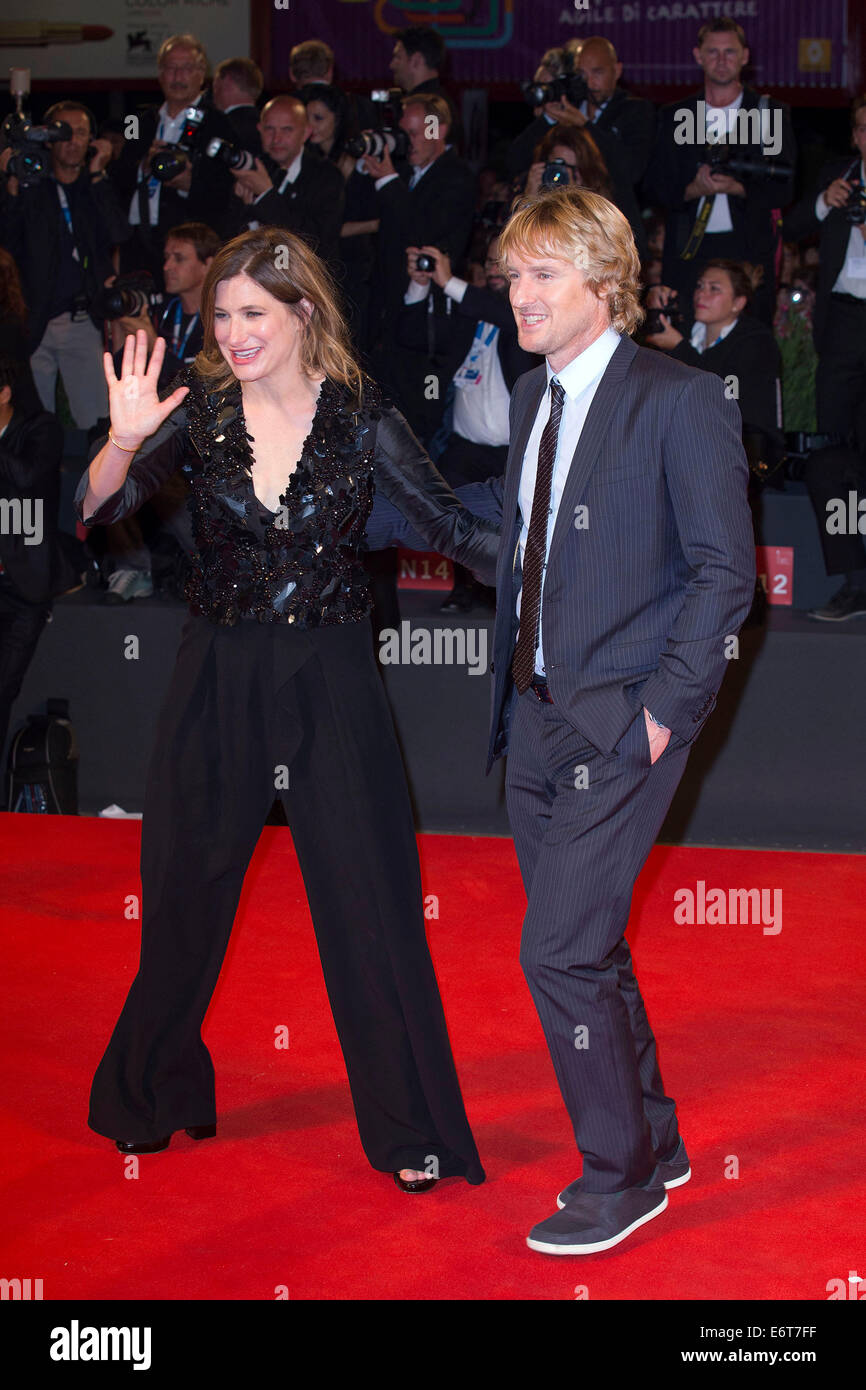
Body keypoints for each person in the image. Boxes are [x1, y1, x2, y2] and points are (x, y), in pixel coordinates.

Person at [74, 226, 498, 1192]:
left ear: (303, 312)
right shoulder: (195, 413)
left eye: (252, 313)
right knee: (181, 892)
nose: (232, 332)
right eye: (220, 314)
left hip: (332, 679)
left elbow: (455, 531)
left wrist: (576, 556)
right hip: (213, 673)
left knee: (371, 908)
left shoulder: (362, 420)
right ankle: (155, 1090)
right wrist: (125, 440)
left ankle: (409, 1129)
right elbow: (97, 508)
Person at [462, 188, 755, 1253]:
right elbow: (532, 555)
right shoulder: (535, 399)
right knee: (589, 945)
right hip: (533, 720)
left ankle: (617, 1174)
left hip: (618, 723)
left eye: (541, 274)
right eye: (510, 274)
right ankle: (659, 1140)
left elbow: (724, 574)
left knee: (557, 952)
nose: (517, 294)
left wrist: (657, 720)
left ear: (602, 279)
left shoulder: (676, 399)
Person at [98, 222, 220, 604]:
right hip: (164, 434)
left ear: (208, 265)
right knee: (103, 454)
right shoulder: (161, 312)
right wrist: (127, 338)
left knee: (160, 470)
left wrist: (156, 347)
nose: (167, 266)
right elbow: (130, 382)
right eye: (166, 257)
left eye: (179, 258)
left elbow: (202, 387)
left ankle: (216, 571)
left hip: (209, 436)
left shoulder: (223, 318)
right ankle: (134, 568)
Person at [645, 17, 795, 323]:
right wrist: (692, 190)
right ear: (698, 56)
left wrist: (737, 187)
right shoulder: (676, 116)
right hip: (688, 248)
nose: (721, 60)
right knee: (683, 342)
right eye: (713, 52)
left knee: (747, 343)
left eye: (729, 52)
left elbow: (786, 186)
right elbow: (652, 186)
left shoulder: (769, 113)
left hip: (747, 247)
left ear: (745, 56)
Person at [0, 101, 129, 430]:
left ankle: (97, 482)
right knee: (32, 422)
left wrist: (99, 171)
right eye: (63, 132)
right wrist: (11, 188)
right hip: (35, 319)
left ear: (92, 140)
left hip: (82, 318)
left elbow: (117, 233)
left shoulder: (94, 184)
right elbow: (8, 246)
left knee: (98, 420)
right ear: (47, 138)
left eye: (81, 133)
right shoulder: (32, 187)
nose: (72, 141)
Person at [0, 356, 79, 779]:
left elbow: (29, 478)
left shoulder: (40, 428)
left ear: (5, 394)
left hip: (22, 585)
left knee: (3, 691)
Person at [114, 33, 235, 287]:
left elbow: (226, 193)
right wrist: (143, 168)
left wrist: (189, 183)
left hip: (187, 248)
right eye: (171, 68)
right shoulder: (138, 121)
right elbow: (118, 177)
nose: (178, 77)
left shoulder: (218, 123)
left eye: (187, 68)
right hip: (137, 242)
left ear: (202, 74)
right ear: (160, 74)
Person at [643, 259, 783, 452]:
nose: (701, 294)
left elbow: (725, 396)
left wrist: (679, 348)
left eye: (714, 289)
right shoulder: (687, 331)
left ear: (738, 303)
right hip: (686, 441)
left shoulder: (756, 342)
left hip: (742, 448)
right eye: (700, 286)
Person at [221, 96, 345, 269]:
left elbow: (314, 242)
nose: (276, 139)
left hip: (304, 279)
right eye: (269, 129)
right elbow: (228, 237)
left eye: (287, 130)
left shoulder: (326, 175)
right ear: (259, 130)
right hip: (256, 274)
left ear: (306, 133)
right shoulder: (254, 168)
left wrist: (265, 195)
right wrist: (245, 206)